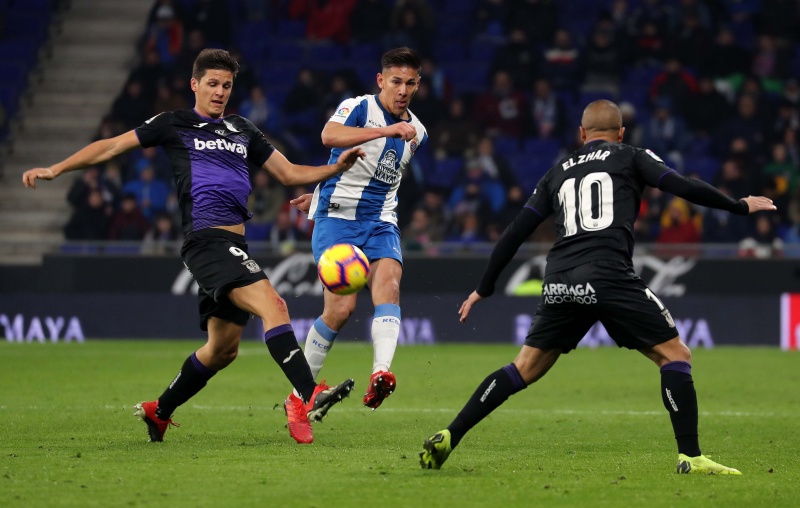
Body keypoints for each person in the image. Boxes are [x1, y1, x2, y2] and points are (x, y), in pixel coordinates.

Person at [22, 48, 366, 445]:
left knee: (222, 349)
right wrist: (57, 169)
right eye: (213, 84)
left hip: (234, 244)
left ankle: (159, 410)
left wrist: (335, 168)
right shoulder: (174, 123)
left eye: (227, 85)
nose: (220, 92)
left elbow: (289, 173)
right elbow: (112, 146)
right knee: (275, 305)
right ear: (195, 84)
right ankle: (309, 393)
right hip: (206, 241)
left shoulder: (242, 129)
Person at [419, 100, 777, 474]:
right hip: (608, 274)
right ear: (620, 133)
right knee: (675, 356)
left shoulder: (556, 172)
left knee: (522, 367)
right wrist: (739, 206)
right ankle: (690, 456)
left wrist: (484, 288)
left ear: (581, 134)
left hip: (560, 279)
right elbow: (683, 186)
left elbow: (514, 233)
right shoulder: (632, 156)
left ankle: (450, 434)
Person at [289, 47, 427, 412]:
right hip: (336, 219)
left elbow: (382, 176)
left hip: (380, 221)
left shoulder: (418, 132)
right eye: (395, 81)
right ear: (381, 80)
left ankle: (380, 374)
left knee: (390, 287)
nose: (402, 90)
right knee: (341, 309)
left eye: (410, 83)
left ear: (418, 84)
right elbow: (329, 136)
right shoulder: (360, 108)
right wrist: (386, 130)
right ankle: (299, 399)